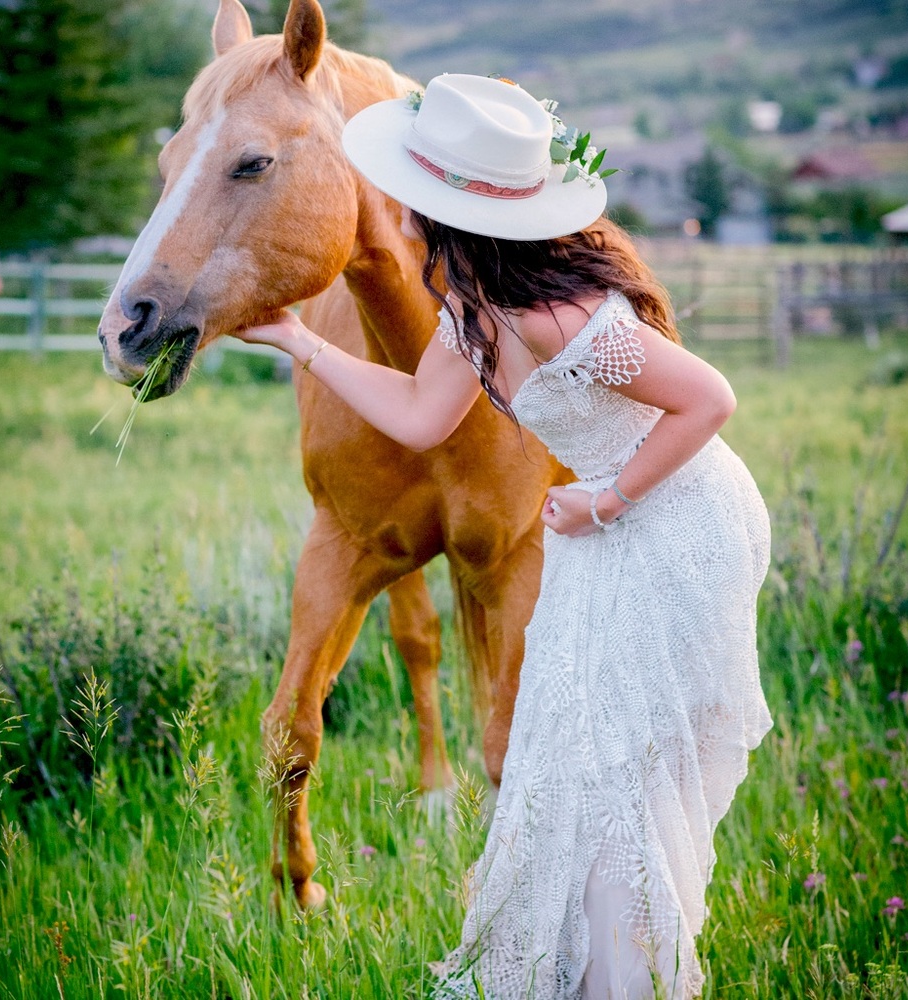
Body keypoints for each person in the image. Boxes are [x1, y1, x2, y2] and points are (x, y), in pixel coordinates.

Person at [235, 74, 773, 1000]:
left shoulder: (554, 314)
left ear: (445, 217)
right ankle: (590, 963)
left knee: (608, 753)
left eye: (407, 194)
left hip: (680, 517)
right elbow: (415, 415)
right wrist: (299, 344)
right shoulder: (472, 310)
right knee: (563, 742)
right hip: (611, 518)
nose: (390, 209)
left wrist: (605, 502)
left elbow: (710, 401)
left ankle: (631, 972)